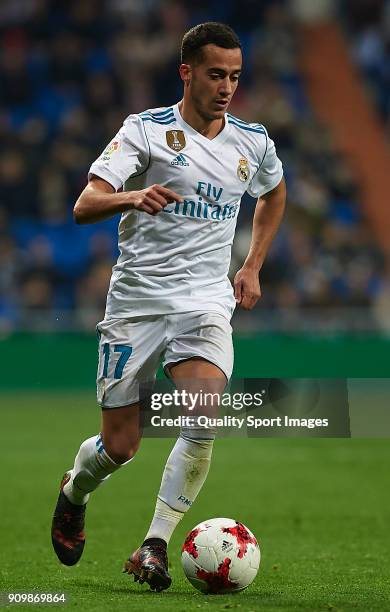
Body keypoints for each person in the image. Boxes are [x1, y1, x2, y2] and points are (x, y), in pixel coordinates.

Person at [51, 22, 286, 592]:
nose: (227, 86)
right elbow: (85, 204)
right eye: (215, 74)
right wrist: (134, 195)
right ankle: (74, 491)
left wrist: (251, 264)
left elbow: (274, 193)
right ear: (186, 72)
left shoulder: (252, 142)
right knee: (120, 445)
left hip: (205, 302)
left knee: (203, 416)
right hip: (137, 303)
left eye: (234, 75)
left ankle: (154, 543)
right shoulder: (146, 131)